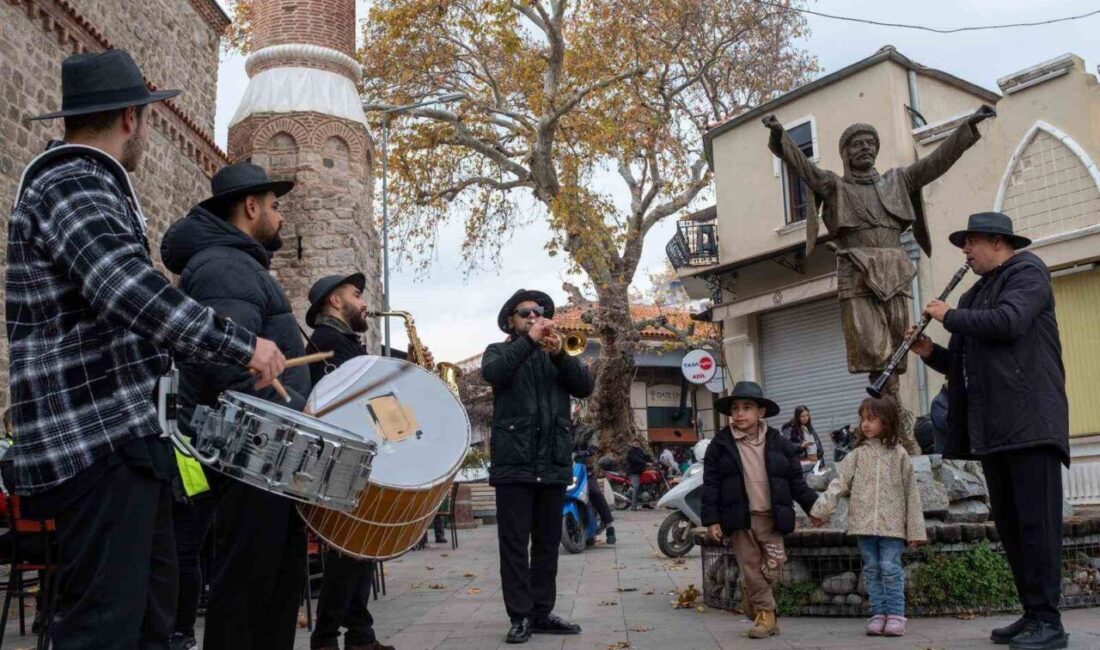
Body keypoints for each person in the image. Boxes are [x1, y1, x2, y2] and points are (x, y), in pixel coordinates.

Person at [6, 50, 284, 649]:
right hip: (96, 440)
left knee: (152, 623)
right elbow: (125, 289)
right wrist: (242, 348)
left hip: (127, 440)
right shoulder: (73, 182)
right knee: (104, 627)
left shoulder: (86, 183)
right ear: (132, 118)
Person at [161, 162, 309, 650]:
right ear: (250, 207)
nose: (280, 217)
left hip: (264, 454)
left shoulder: (234, 264)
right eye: (274, 206)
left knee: (269, 587)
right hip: (255, 456)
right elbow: (234, 372)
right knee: (250, 589)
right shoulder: (226, 267)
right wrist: (295, 421)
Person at [908, 212, 1069, 650]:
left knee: (1038, 528)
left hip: (1031, 425)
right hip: (997, 431)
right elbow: (967, 364)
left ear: (999, 242)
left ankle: (1049, 622)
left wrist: (948, 314)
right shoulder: (979, 292)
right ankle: (1032, 613)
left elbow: (1009, 323)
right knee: (1013, 530)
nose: (965, 250)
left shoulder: (1027, 273)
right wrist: (928, 352)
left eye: (972, 241)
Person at [482, 289, 594, 644]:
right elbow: (495, 374)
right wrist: (529, 342)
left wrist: (560, 353)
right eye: (525, 313)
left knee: (547, 545)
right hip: (513, 464)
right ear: (511, 322)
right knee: (514, 545)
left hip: (554, 461)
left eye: (539, 312)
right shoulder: (499, 351)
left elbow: (585, 387)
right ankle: (519, 616)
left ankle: (541, 612)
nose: (534, 317)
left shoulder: (555, 354)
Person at [303, 273, 395, 650]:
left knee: (360, 550)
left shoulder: (344, 343)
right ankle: (326, 638)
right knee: (349, 551)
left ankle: (360, 634)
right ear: (335, 302)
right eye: (356, 295)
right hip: (343, 458)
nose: (363, 303)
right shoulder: (328, 343)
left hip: (356, 456)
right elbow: (359, 399)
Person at [701, 381, 818, 640]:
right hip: (740, 518)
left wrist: (813, 507)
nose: (740, 413)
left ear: (761, 412)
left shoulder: (779, 443)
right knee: (752, 566)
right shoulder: (720, 445)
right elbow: (711, 484)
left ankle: (752, 595)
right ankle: (766, 613)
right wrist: (712, 520)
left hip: (772, 517)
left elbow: (796, 482)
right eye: (735, 408)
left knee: (775, 565)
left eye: (747, 407)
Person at [810, 396, 926, 637]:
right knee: (872, 569)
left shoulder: (899, 455)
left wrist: (915, 530)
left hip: (892, 526)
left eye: (871, 419)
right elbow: (838, 485)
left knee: (889, 567)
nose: (865, 424)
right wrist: (820, 510)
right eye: (863, 419)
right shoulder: (856, 455)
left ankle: (895, 615)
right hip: (863, 525)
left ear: (887, 421)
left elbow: (911, 494)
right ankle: (878, 614)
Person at [574, 423, 616, 545]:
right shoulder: (557, 427)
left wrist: (591, 449)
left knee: (595, 492)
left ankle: (609, 527)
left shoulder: (586, 430)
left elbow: (593, 442)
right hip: (565, 470)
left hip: (585, 468)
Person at [625, 439, 653, 510]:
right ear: (632, 443)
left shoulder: (641, 451)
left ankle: (646, 504)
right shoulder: (630, 451)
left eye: (637, 443)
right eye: (635, 442)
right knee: (636, 486)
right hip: (633, 472)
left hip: (640, 471)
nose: (636, 443)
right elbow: (636, 459)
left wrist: (652, 460)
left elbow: (646, 457)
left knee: (647, 484)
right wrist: (645, 463)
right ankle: (633, 506)